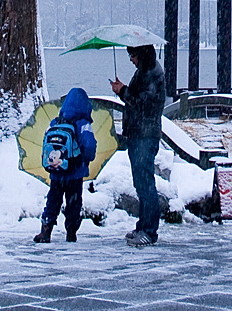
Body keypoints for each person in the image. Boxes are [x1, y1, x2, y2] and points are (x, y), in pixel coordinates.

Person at [110, 42, 165, 247]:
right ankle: (143, 225)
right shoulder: (145, 71)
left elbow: (143, 103)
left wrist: (123, 91)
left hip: (145, 135)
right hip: (138, 134)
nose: (131, 59)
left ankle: (149, 231)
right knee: (141, 184)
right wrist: (123, 90)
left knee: (146, 185)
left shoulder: (150, 73)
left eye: (133, 55)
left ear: (141, 54)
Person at [33, 86, 98, 244]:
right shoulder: (82, 124)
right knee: (74, 202)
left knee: (53, 200)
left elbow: (46, 143)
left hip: (57, 172)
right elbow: (89, 145)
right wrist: (86, 159)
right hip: (75, 172)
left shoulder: (56, 122)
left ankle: (46, 229)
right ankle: (71, 232)